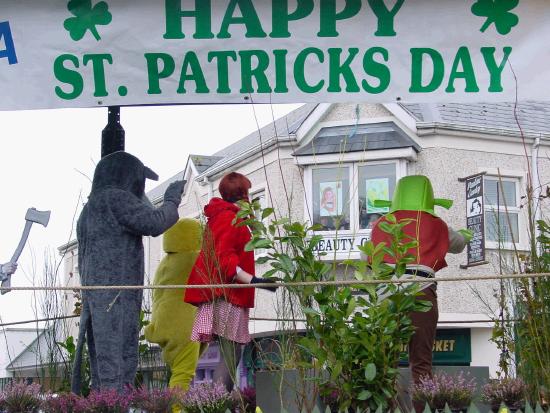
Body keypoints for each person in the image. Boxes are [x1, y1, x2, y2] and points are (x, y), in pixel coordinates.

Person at [72, 151, 185, 394]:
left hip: (97, 296)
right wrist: (172, 200)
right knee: (119, 356)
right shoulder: (116, 199)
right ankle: (115, 404)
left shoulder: (90, 208)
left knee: (101, 356)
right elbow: (155, 223)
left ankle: (104, 403)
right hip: (118, 296)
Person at [369, 175, 472, 413]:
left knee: (385, 362)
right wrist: (466, 235)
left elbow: (366, 258)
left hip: (387, 295)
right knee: (421, 362)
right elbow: (458, 245)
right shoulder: (436, 223)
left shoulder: (381, 224)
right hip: (422, 292)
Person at [184, 172, 277, 392]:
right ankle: (214, 404)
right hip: (228, 297)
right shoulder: (229, 218)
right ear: (243, 195)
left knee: (227, 353)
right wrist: (256, 281)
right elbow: (225, 261)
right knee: (231, 353)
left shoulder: (222, 216)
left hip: (222, 295)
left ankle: (209, 402)